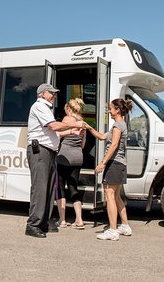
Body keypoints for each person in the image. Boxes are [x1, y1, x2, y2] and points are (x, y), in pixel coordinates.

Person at [25, 83, 86, 238]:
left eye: (54, 93)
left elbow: (54, 133)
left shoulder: (47, 109)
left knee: (49, 189)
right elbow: (53, 127)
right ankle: (33, 225)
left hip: (49, 152)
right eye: (51, 93)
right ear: (42, 94)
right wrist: (74, 123)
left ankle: (43, 222)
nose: (54, 95)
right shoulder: (39, 106)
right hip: (40, 151)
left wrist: (70, 130)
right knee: (40, 188)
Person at [83, 98, 133, 241]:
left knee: (109, 195)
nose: (109, 111)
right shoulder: (119, 124)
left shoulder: (118, 125)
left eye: (110, 108)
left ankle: (112, 230)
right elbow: (102, 137)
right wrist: (89, 127)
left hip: (114, 164)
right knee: (116, 196)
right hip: (119, 164)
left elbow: (114, 145)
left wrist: (103, 163)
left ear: (117, 110)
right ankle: (125, 225)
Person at [55, 98, 86, 229]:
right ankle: (79, 219)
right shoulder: (82, 123)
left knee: (61, 187)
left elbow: (58, 134)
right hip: (78, 157)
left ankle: (62, 220)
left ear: (68, 109)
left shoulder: (67, 120)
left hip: (64, 156)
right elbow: (83, 144)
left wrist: (68, 132)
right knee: (74, 187)